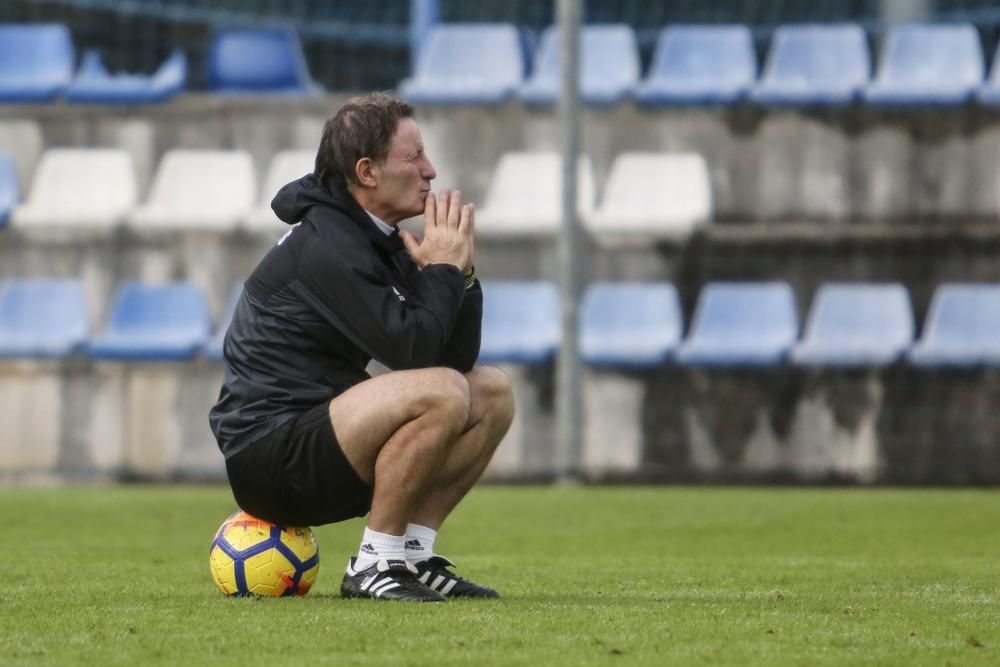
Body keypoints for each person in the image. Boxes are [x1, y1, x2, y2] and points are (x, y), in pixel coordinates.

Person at [209, 92, 515, 602]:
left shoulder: (374, 235)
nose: (430, 170)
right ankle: (375, 564)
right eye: (413, 157)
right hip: (268, 455)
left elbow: (451, 360)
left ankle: (413, 556)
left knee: (490, 392)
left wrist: (461, 274)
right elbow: (413, 354)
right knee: (441, 392)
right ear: (367, 171)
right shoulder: (329, 244)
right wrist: (441, 270)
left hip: (324, 437)